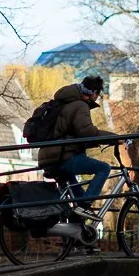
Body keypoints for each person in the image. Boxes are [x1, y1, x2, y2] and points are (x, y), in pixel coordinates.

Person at [37, 75, 113, 204]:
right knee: (104, 168)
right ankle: (86, 204)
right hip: (63, 157)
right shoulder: (79, 105)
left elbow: (72, 133)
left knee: (78, 203)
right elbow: (87, 132)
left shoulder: (65, 102)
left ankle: (78, 215)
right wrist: (115, 138)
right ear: (94, 93)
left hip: (50, 158)